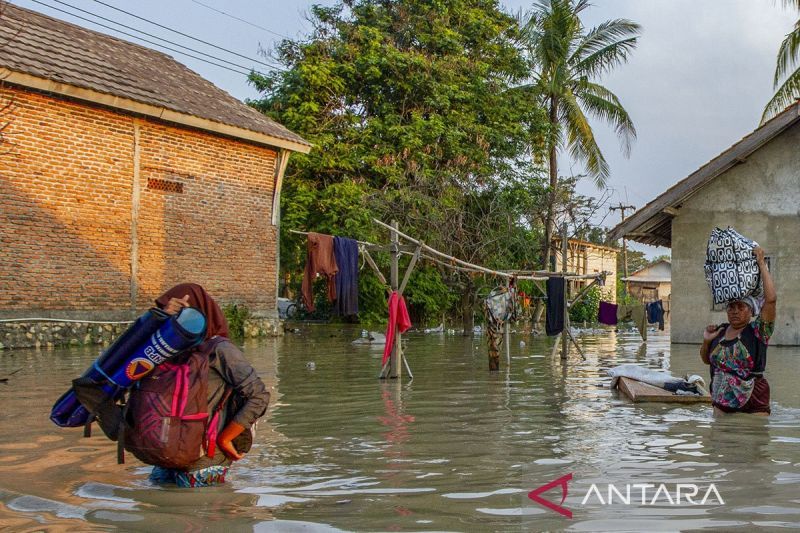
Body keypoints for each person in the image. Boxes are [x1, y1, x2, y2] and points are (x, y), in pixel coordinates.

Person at [149, 283, 270, 487]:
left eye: (178, 315)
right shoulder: (171, 353)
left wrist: (225, 439)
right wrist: (156, 320)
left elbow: (258, 396)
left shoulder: (220, 350)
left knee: (199, 516)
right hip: (168, 456)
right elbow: (133, 362)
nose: (171, 322)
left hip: (205, 460)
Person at [700, 247, 776, 415]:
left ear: (751, 311)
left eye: (741, 307)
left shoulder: (758, 331)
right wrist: (706, 341)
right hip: (723, 399)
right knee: (720, 438)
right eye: (731, 307)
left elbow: (770, 300)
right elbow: (707, 361)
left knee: (753, 436)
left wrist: (761, 263)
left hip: (754, 398)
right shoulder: (719, 331)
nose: (734, 311)